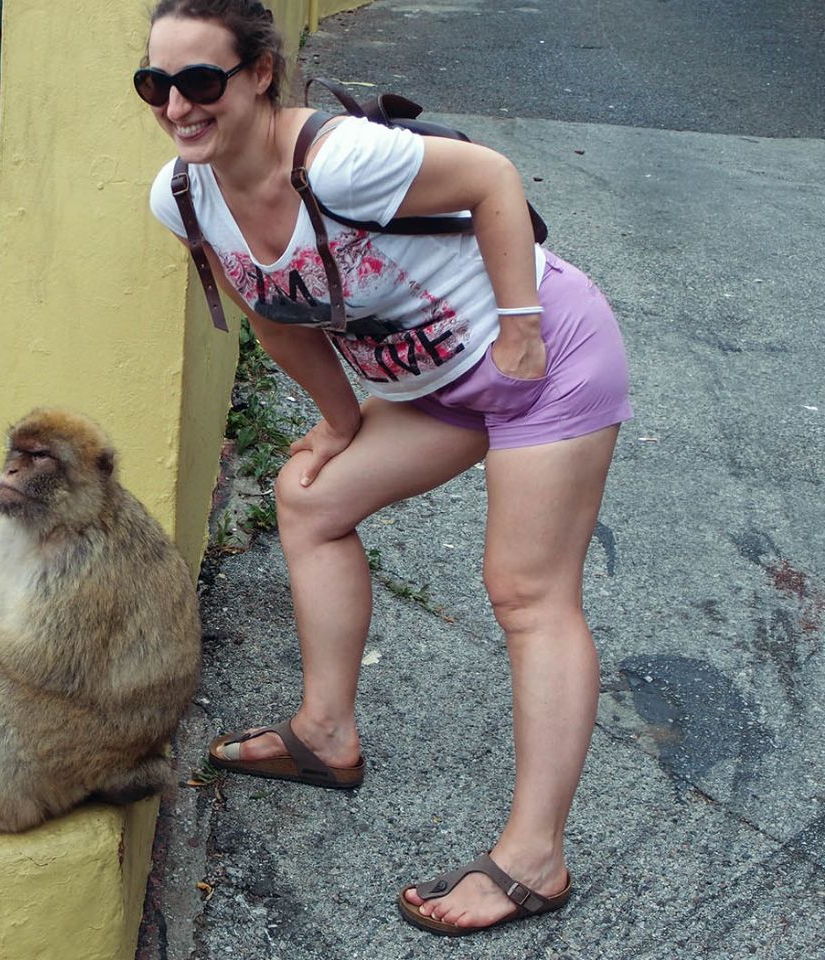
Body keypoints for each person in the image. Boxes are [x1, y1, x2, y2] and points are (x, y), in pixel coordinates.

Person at [137, 0, 632, 938]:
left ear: (258, 75)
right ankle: (326, 735)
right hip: (437, 383)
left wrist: (520, 324)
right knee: (310, 496)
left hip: (545, 359)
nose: (176, 106)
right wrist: (339, 422)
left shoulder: (340, 160)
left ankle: (536, 856)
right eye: (155, 84)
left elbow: (490, 179)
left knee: (527, 592)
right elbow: (274, 315)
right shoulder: (187, 196)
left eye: (199, 81)